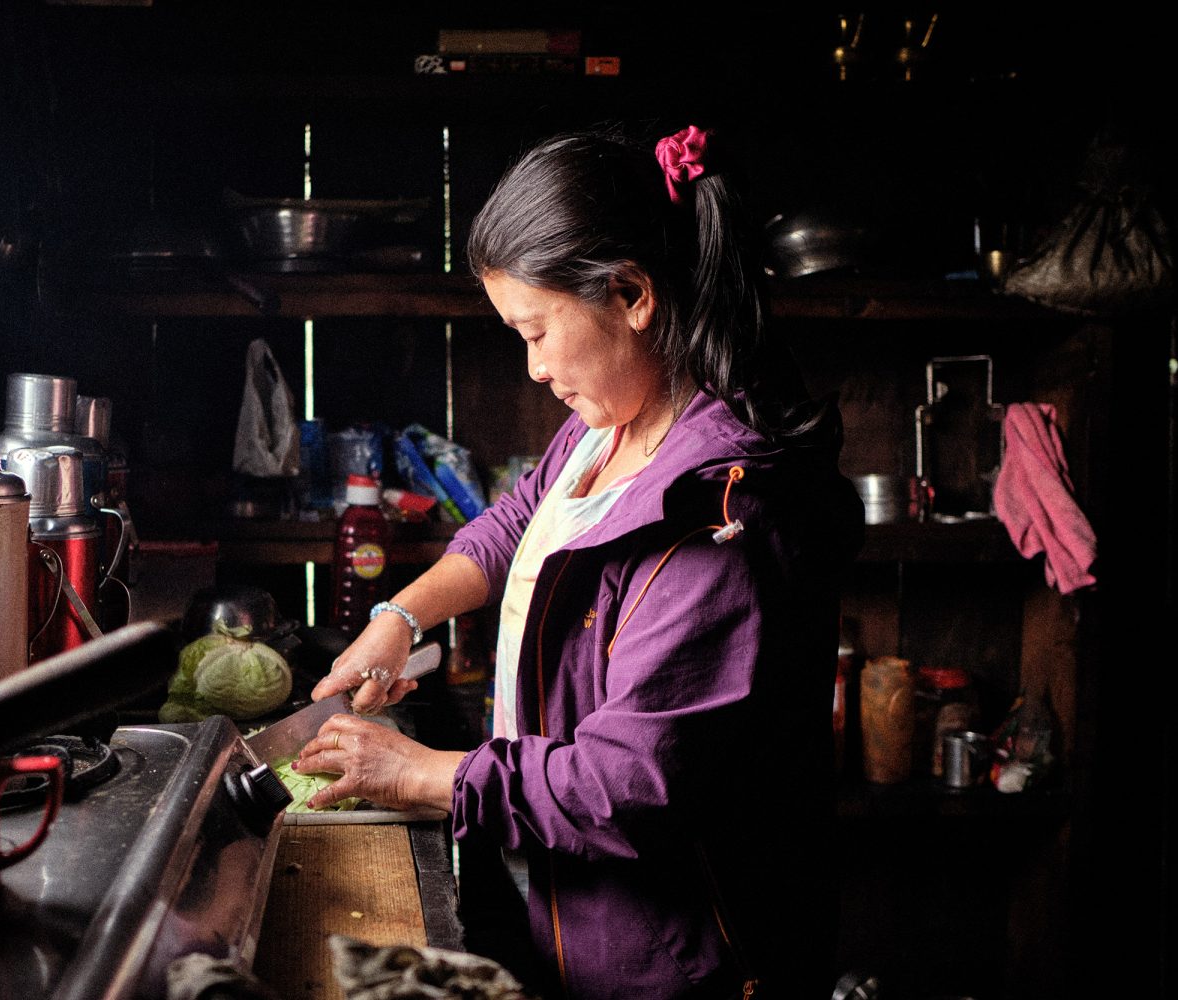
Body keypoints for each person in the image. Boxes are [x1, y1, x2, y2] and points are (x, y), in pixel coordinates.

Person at [295, 124, 865, 1000]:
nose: (530, 368)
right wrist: (397, 619)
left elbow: (627, 783)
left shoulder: (720, 520)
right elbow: (514, 526)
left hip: (668, 959)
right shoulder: (606, 425)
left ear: (632, 293)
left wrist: (419, 773)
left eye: (536, 330)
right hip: (560, 903)